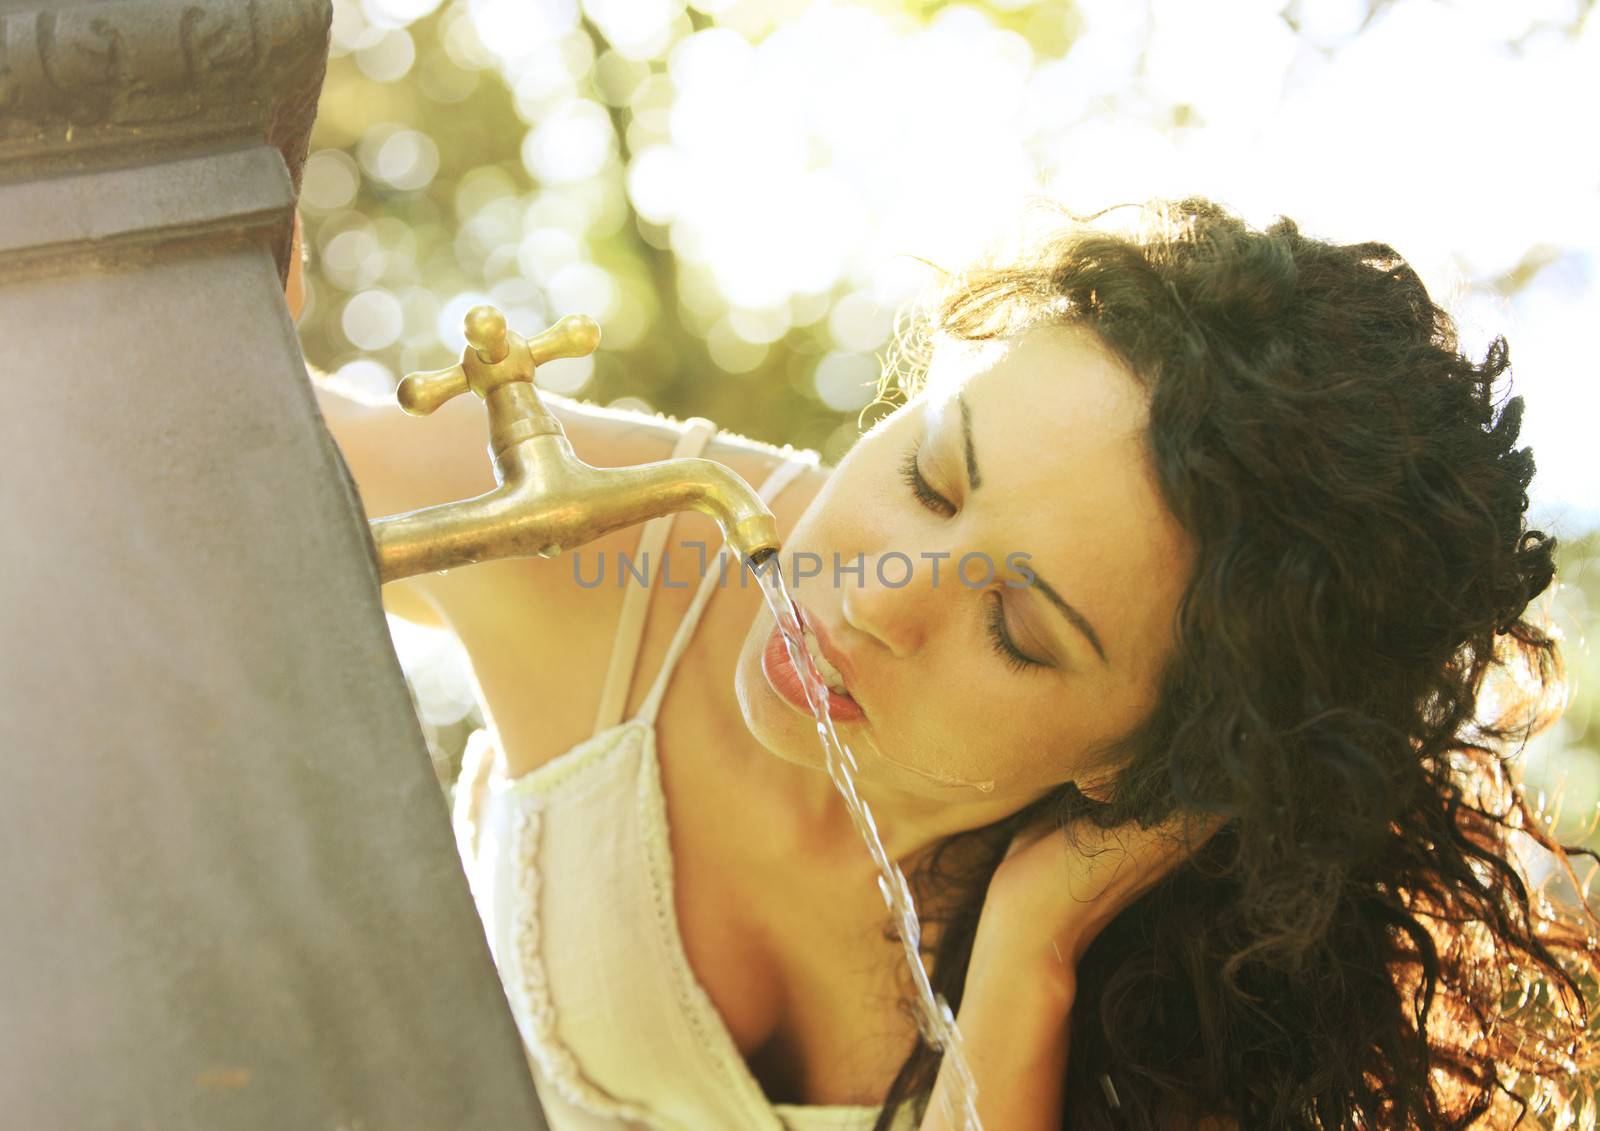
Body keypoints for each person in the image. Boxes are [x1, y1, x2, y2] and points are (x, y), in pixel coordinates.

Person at [295, 197, 1600, 1130]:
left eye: (1019, 633)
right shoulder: (641, 548)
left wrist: (1024, 969)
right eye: (932, 477)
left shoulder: (1176, 997)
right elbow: (215, 443)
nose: (872, 598)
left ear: (1150, 762)